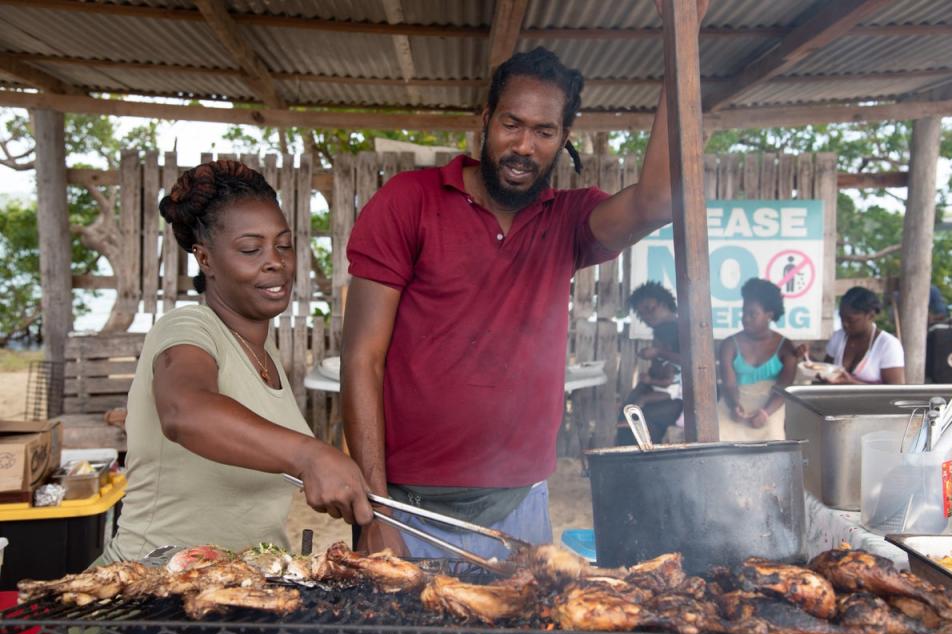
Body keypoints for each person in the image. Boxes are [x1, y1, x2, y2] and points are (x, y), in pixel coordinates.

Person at [341, 38, 693, 557]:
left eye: (544, 131)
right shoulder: (407, 202)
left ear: (563, 138)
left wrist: (678, 41)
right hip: (406, 512)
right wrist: (376, 509)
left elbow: (659, 200)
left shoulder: (569, 220)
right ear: (485, 120)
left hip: (521, 513)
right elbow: (362, 358)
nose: (524, 146)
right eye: (512, 124)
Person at [102, 160, 372, 563]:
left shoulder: (266, 355)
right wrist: (310, 454)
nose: (275, 261)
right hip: (155, 589)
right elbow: (184, 411)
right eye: (250, 249)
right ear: (205, 259)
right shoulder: (187, 328)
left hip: (246, 591)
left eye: (283, 245)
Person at [717, 278, 797, 442]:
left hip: (771, 407)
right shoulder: (729, 344)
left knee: (774, 442)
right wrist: (734, 406)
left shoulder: (785, 346)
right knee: (719, 441)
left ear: (769, 315)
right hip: (734, 405)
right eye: (744, 312)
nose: (745, 318)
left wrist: (765, 413)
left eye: (752, 314)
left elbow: (783, 389)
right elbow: (729, 385)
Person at [615, 282, 683, 445]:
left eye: (649, 308)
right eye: (641, 313)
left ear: (665, 304)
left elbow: (691, 361)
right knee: (631, 416)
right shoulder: (661, 330)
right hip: (660, 387)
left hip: (678, 393)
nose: (646, 315)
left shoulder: (683, 329)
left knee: (641, 426)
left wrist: (658, 352)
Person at [799, 286, 905, 385]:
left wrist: (852, 383)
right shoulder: (838, 337)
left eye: (851, 320)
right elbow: (825, 371)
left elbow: (894, 394)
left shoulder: (888, 345)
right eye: (841, 318)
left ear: (870, 316)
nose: (845, 324)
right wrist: (808, 360)